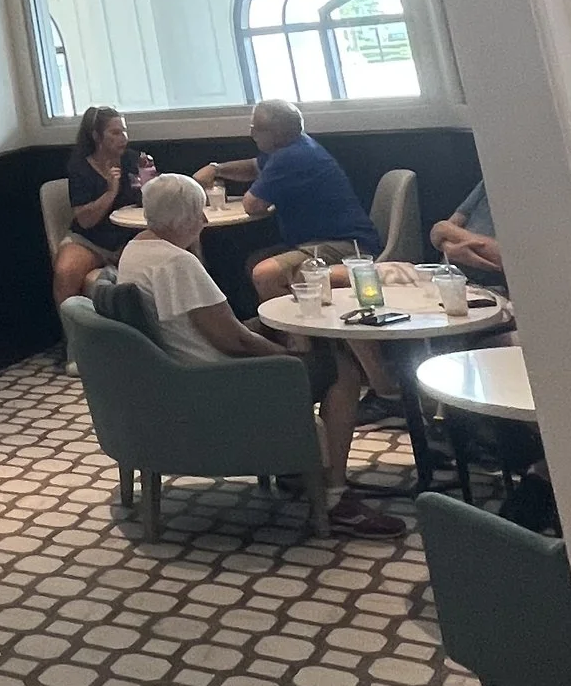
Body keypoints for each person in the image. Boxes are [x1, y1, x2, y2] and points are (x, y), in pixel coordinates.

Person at [112, 173, 404, 538]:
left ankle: (300, 463)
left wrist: (268, 332)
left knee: (302, 341)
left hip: (179, 368)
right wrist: (285, 356)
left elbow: (209, 326)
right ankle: (335, 494)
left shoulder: (136, 250)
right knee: (340, 369)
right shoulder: (176, 264)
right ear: (183, 219)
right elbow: (234, 341)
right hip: (218, 378)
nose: (204, 222)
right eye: (199, 214)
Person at [202, 99, 378, 304]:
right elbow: (253, 167)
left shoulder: (290, 157)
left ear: (275, 133)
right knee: (255, 262)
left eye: (256, 128)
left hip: (347, 244)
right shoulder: (296, 146)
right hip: (325, 239)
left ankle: (300, 332)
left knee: (265, 273)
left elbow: (252, 205)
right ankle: (281, 330)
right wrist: (217, 169)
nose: (252, 134)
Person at [54, 105, 152, 310]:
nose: (123, 137)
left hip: (130, 236)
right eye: (115, 133)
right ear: (97, 136)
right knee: (65, 272)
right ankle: (74, 333)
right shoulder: (80, 166)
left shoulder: (133, 160)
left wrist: (151, 183)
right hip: (91, 240)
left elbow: (150, 202)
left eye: (124, 131)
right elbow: (85, 220)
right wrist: (110, 191)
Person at [433, 177, 505, 285]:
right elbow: (436, 233)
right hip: (445, 277)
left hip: (488, 289)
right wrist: (448, 248)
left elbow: (514, 259)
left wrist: (445, 229)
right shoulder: (490, 181)